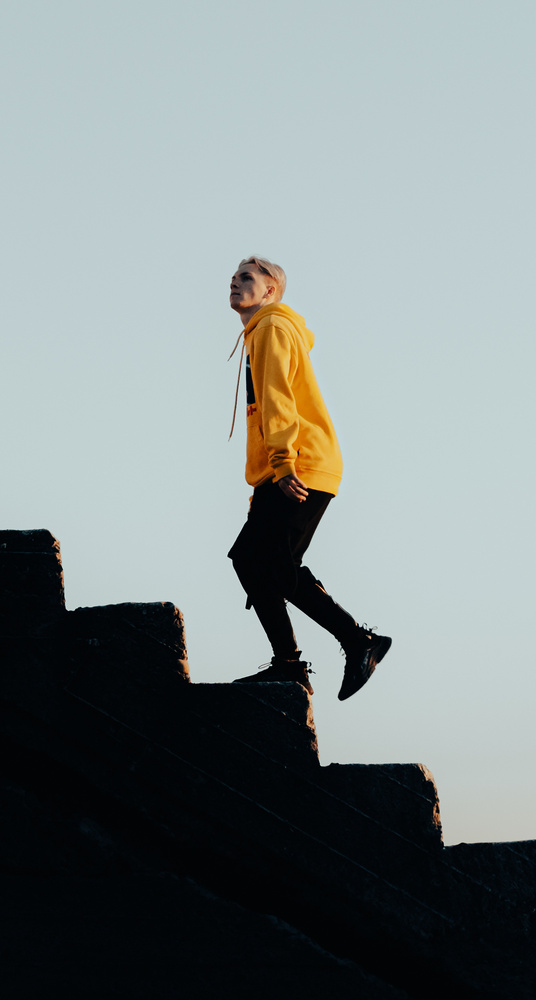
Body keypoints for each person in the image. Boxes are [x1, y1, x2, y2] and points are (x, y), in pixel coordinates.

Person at [224, 256, 391, 700]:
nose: (235, 282)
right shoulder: (260, 333)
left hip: (300, 464)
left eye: (247, 277)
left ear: (270, 290)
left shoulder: (273, 328)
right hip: (287, 468)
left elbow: (277, 398)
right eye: (234, 276)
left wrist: (281, 463)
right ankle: (297, 661)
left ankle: (353, 644)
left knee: (268, 565)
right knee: (253, 561)